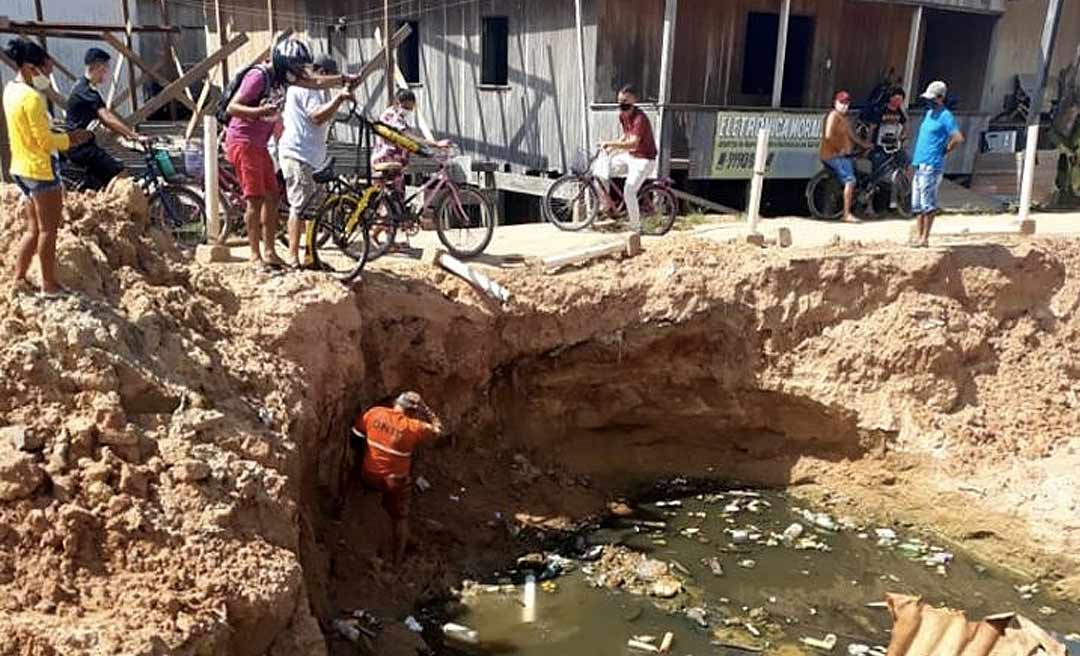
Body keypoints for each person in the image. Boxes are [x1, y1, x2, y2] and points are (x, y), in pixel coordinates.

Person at [224, 37, 357, 270]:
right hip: (243, 141)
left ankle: (270, 251)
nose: (298, 73)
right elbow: (232, 107)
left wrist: (343, 79)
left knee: (274, 196)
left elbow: (314, 82)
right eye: (295, 68)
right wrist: (259, 111)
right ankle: (255, 256)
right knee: (254, 199)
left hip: (260, 145)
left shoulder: (284, 80)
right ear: (284, 64)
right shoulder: (259, 76)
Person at [3, 39, 92, 297]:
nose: (48, 76)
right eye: (46, 71)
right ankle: (49, 284)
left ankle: (18, 278)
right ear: (31, 68)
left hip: (20, 167)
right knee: (48, 230)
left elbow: (31, 132)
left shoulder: (11, 90)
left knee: (33, 229)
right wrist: (71, 139)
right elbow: (43, 141)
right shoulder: (31, 98)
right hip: (40, 169)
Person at [278, 54, 353, 269]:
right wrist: (339, 99)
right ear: (322, 72)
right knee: (300, 206)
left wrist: (339, 99)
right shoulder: (308, 88)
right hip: (299, 153)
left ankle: (310, 256)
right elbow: (317, 117)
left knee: (314, 209)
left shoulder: (317, 90)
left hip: (313, 156)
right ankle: (293, 256)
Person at [352, 392, 445, 565]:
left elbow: (356, 434)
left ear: (395, 402)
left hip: (368, 476)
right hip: (395, 482)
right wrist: (426, 409)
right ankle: (398, 559)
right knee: (400, 517)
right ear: (413, 412)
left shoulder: (374, 413)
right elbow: (438, 430)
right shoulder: (413, 426)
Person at [64, 47, 143, 191]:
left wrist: (122, 138)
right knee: (119, 173)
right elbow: (106, 116)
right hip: (81, 148)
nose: (106, 74)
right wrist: (132, 134)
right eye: (105, 69)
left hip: (80, 145)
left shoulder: (83, 86)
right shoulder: (85, 91)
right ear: (97, 67)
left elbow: (100, 122)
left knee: (100, 182)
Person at [593, 84, 657, 233]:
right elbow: (626, 136)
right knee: (601, 169)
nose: (622, 104)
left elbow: (633, 144)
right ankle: (607, 206)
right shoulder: (622, 116)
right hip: (630, 156)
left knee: (629, 190)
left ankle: (635, 227)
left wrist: (610, 143)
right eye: (620, 101)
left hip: (644, 159)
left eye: (626, 101)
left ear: (634, 100)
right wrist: (611, 148)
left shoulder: (640, 119)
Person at [911, 80, 964, 247]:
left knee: (928, 203)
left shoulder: (945, 116)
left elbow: (958, 138)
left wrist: (945, 150)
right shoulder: (929, 113)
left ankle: (925, 238)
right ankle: (919, 236)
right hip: (920, 163)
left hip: (932, 164)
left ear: (941, 98)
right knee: (917, 204)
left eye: (932, 98)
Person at [371, 88, 451, 180]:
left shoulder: (393, 115)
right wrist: (436, 144)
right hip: (387, 162)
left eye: (411, 108)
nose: (409, 111)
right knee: (393, 191)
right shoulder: (393, 117)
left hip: (392, 163)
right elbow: (410, 138)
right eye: (406, 108)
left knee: (395, 191)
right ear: (397, 103)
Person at [820, 90, 871, 223]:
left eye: (846, 103)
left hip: (844, 155)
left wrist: (864, 144)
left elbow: (852, 135)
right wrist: (839, 149)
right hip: (833, 155)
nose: (844, 106)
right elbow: (828, 136)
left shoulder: (845, 118)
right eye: (841, 103)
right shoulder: (833, 116)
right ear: (835, 103)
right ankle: (846, 214)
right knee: (850, 180)